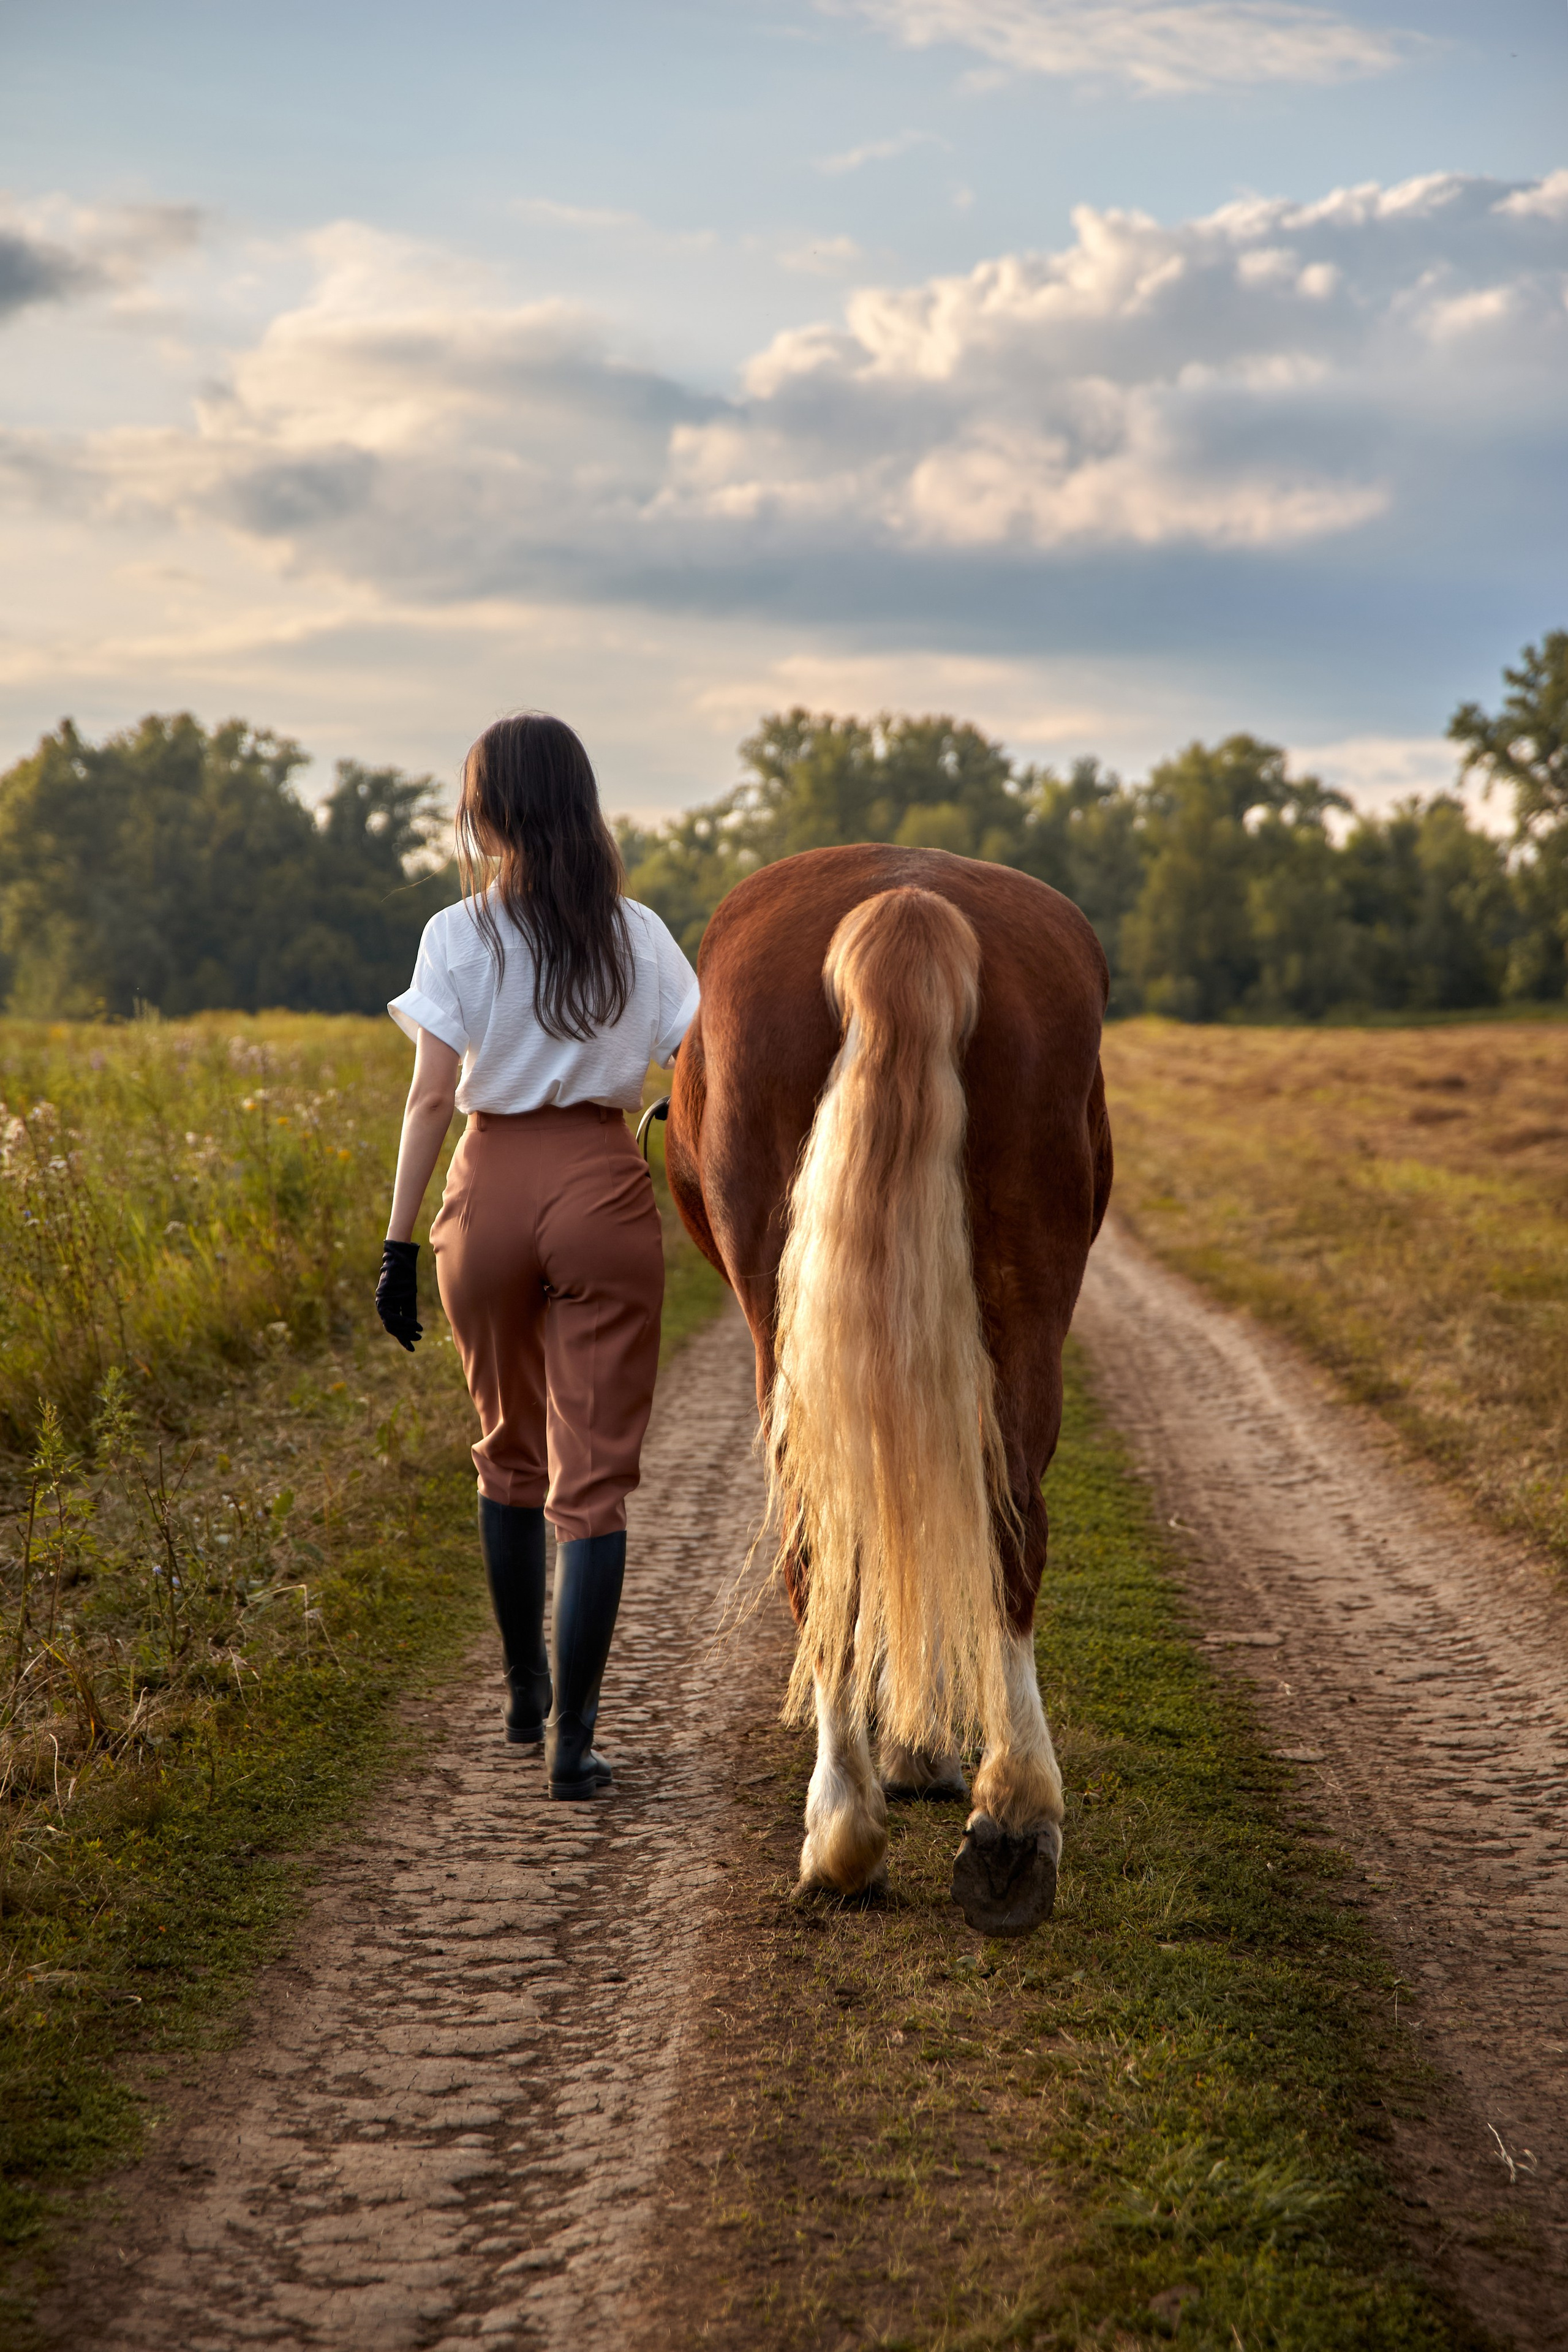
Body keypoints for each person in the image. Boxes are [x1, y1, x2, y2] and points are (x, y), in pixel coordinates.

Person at [375, 713, 698, 1800]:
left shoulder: (455, 934)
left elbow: (429, 1096)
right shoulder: (640, 933)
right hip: (601, 1184)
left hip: (490, 1185)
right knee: (591, 1486)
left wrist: (397, 1240)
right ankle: (575, 1744)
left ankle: (523, 1689)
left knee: (507, 1454)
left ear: (491, 812)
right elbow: (700, 1065)